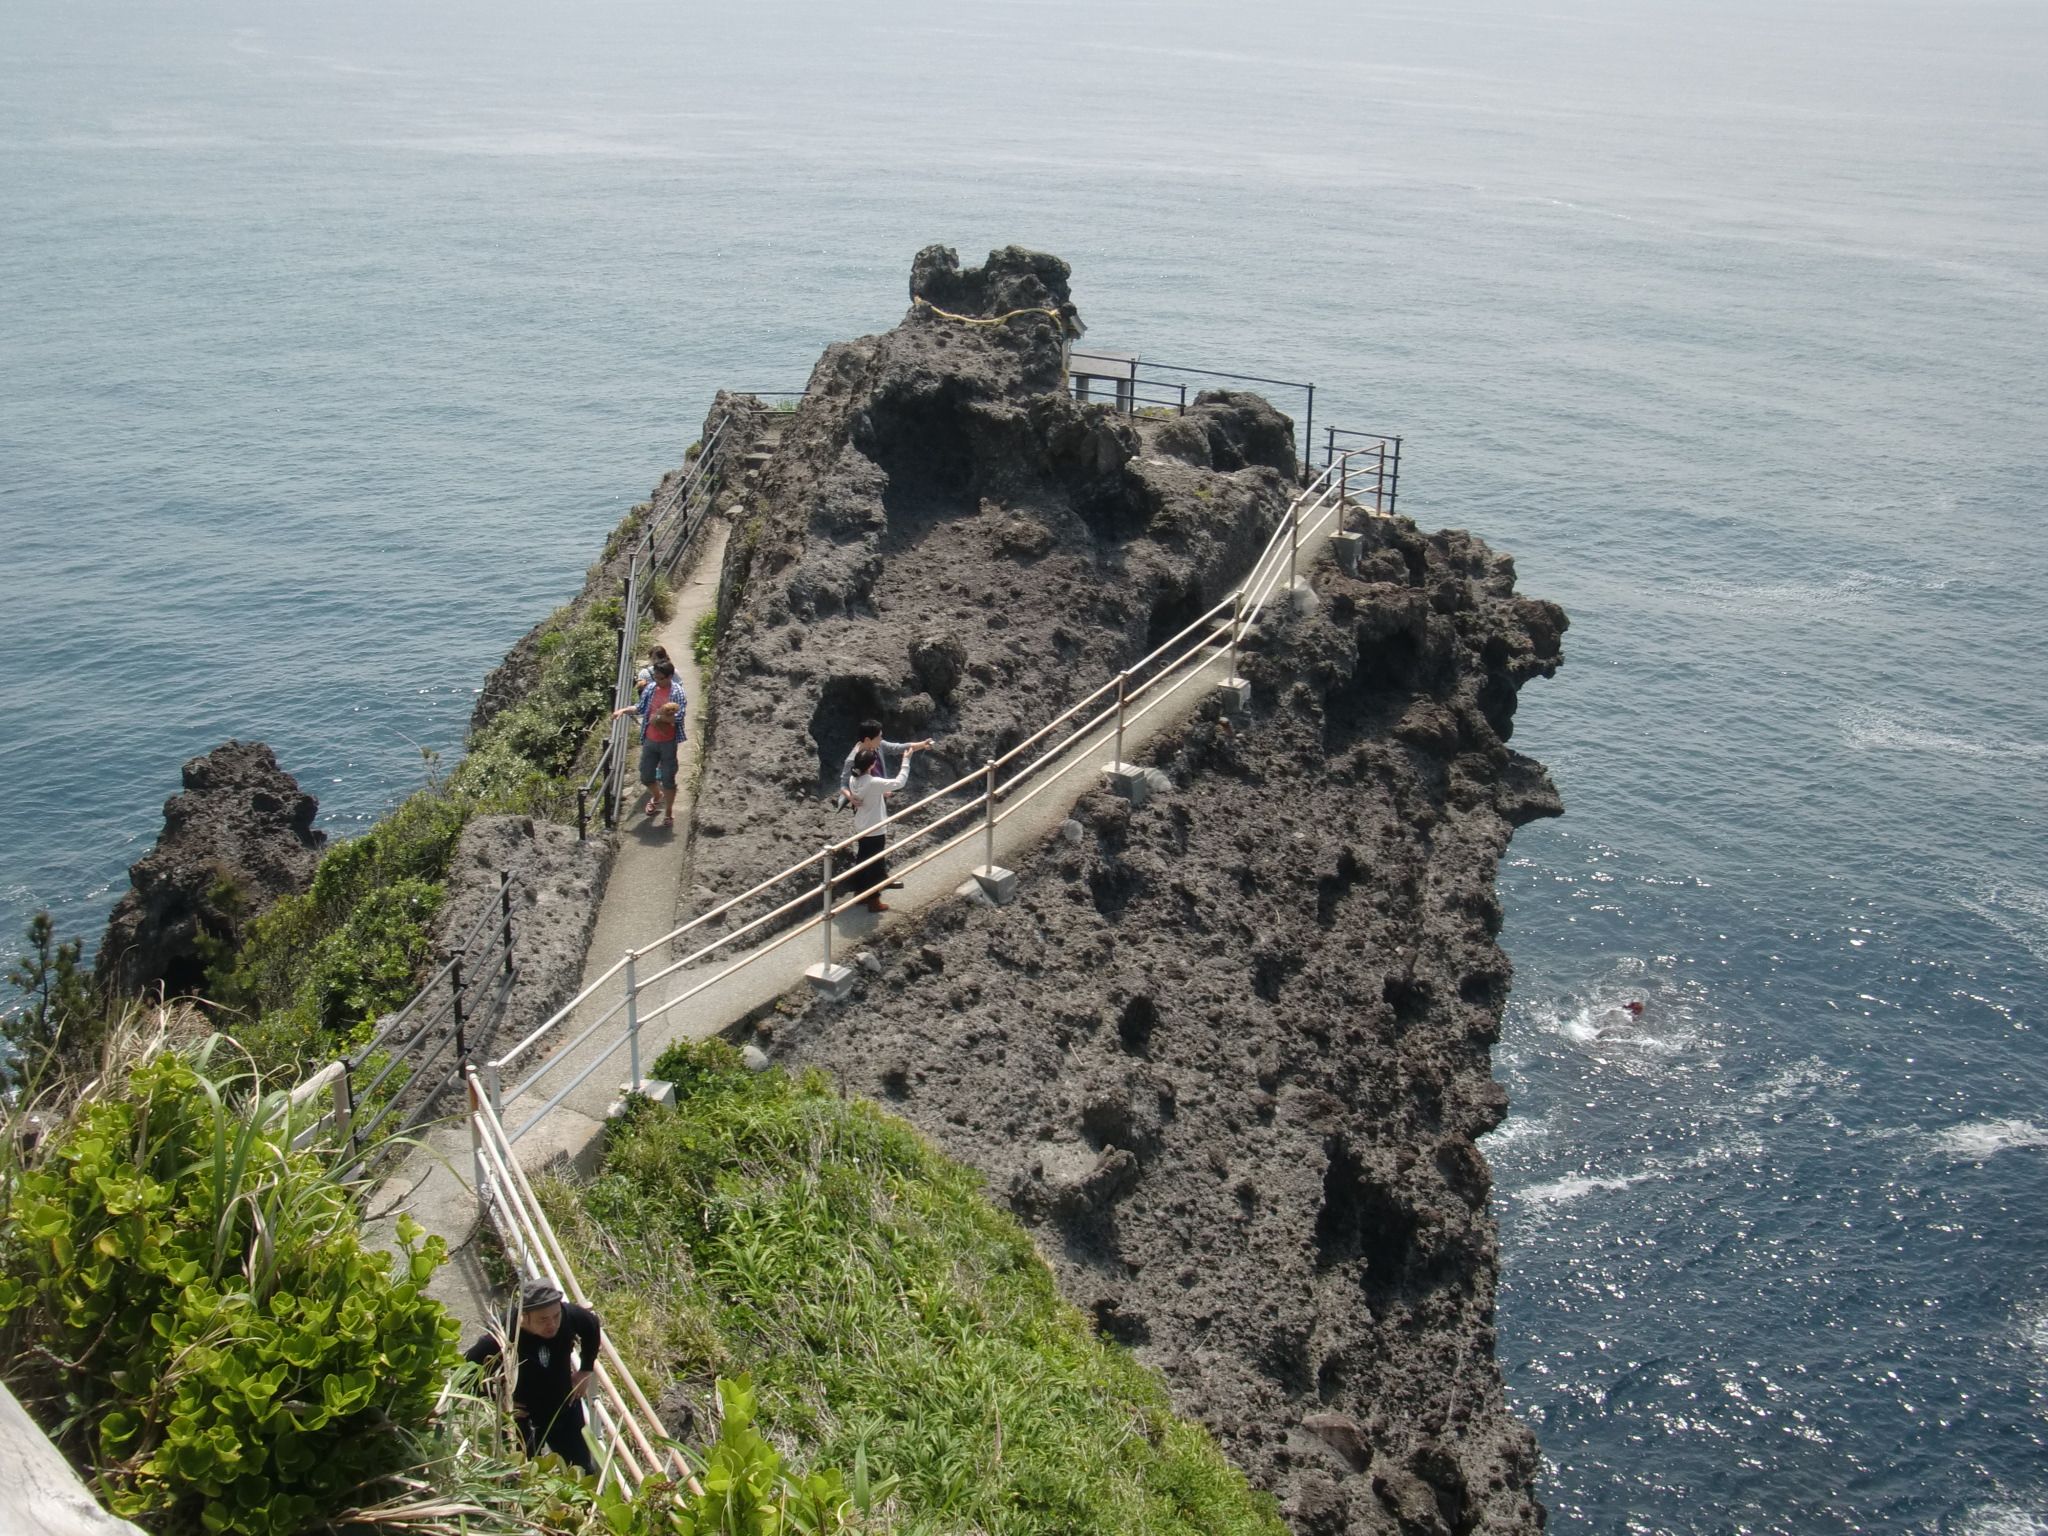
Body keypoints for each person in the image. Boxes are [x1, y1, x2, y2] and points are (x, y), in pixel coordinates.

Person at [463, 1280, 602, 1475]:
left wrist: (586, 1369)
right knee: (521, 1474)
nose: (552, 1324)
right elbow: (466, 1371)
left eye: (556, 1316)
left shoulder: (569, 1315)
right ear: (523, 1317)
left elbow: (591, 1326)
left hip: (563, 1405)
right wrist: (495, 1403)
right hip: (521, 1416)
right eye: (543, 1320)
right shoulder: (502, 1334)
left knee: (580, 1469)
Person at [612, 659, 686, 826]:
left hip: (668, 742)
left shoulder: (677, 692)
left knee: (668, 779)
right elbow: (641, 707)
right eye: (656, 678)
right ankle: (657, 796)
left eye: (661, 678)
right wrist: (623, 710)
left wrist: (660, 717)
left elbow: (679, 717)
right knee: (645, 775)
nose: (657, 682)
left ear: (669, 676)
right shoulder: (651, 689)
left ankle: (668, 812)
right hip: (650, 740)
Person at [846, 743, 918, 912]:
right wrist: (906, 761)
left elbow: (870, 791)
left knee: (863, 860)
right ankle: (874, 901)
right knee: (875, 864)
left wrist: (881, 792)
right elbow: (899, 782)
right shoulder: (873, 781)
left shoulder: (853, 779)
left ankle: (860, 893)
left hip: (861, 826)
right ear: (872, 765)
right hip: (875, 828)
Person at [837, 719, 932, 802]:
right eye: (879, 737)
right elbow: (844, 785)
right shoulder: (852, 760)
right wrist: (851, 798)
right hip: (865, 804)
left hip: (881, 799)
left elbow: (899, 748)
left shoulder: (878, 745)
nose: (881, 739)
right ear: (867, 740)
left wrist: (923, 744)